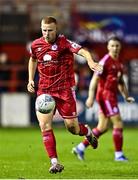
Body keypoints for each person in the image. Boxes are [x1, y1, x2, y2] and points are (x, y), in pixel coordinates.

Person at [27, 16, 103, 174]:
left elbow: (82, 51)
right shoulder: (36, 45)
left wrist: (90, 62)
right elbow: (33, 59)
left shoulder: (64, 43)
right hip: (45, 91)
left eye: (50, 30)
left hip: (64, 90)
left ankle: (87, 132)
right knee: (44, 125)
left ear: (56, 29)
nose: (47, 33)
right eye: (44, 30)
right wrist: (30, 79)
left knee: (72, 128)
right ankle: (54, 162)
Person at [72, 36, 135, 162]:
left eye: (117, 45)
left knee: (102, 127)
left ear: (120, 47)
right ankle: (119, 155)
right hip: (105, 96)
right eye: (112, 45)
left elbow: (121, 82)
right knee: (118, 123)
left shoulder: (119, 62)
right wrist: (90, 97)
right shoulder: (104, 61)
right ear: (108, 47)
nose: (115, 48)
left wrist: (126, 96)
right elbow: (95, 79)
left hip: (111, 96)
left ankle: (80, 148)